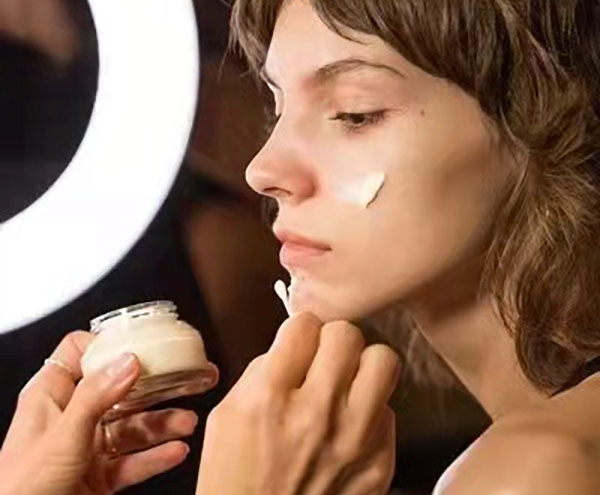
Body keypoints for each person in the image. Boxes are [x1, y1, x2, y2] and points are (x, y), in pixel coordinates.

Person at [2, 0, 600, 494]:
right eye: (277, 105)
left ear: (550, 122)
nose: (262, 169)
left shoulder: (534, 471)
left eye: (354, 113)